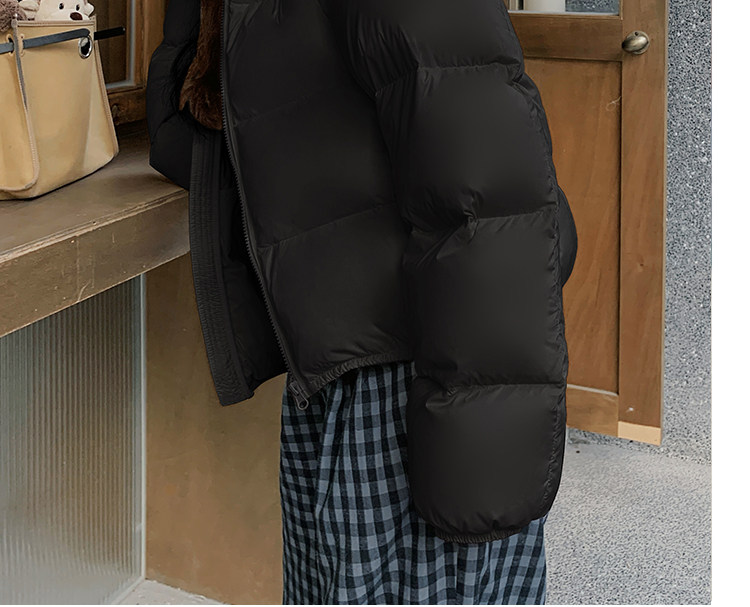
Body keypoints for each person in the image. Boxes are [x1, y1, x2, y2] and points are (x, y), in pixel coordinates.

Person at [147, 0, 578, 603]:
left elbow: (484, 191)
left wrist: (479, 450)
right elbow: (183, 139)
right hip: (332, 372)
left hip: (425, 377)